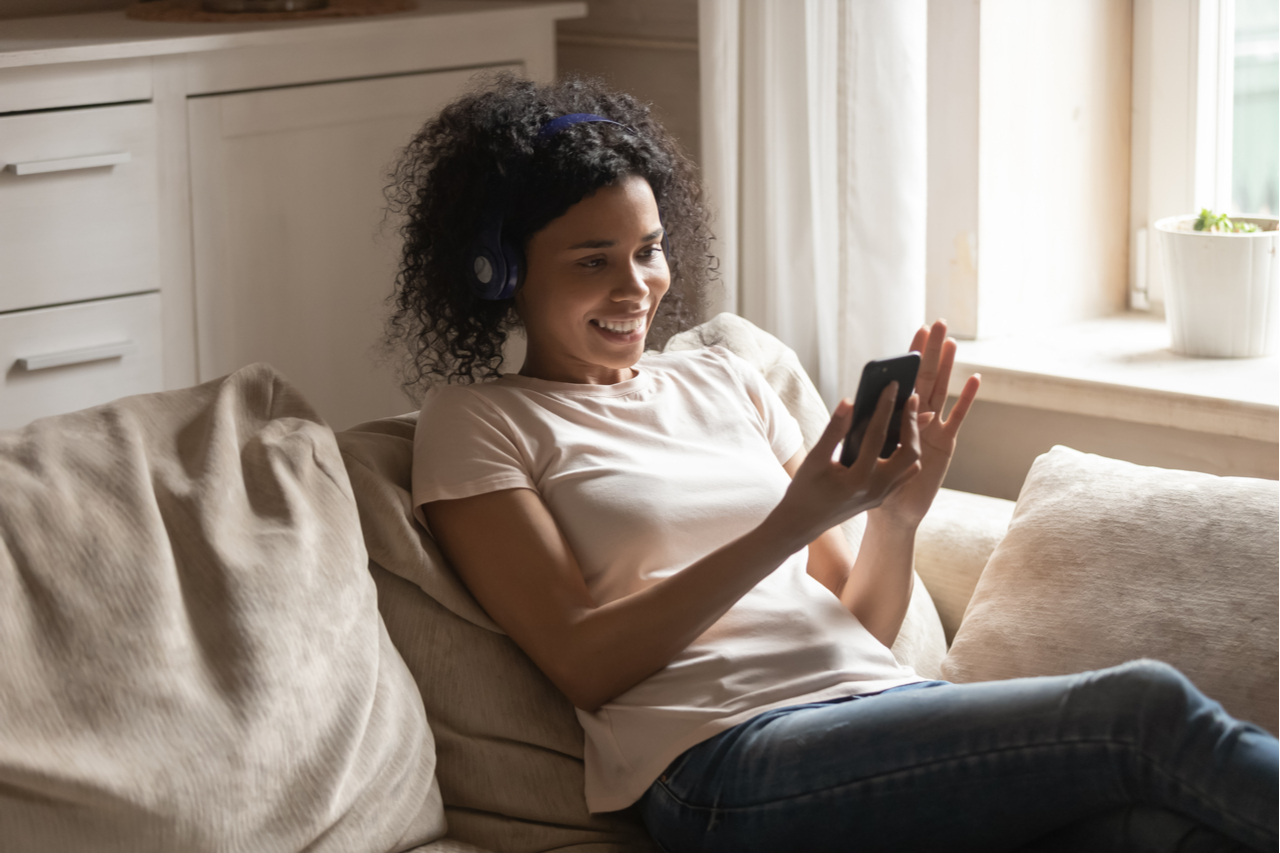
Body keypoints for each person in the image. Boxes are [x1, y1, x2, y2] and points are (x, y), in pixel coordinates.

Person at [386, 73, 1278, 853]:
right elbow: (582, 660)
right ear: (501, 273)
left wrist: (896, 518)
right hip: (729, 764)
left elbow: (861, 621)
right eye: (593, 261)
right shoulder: (480, 422)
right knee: (1142, 712)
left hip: (874, 715)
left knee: (1170, 835)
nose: (637, 288)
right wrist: (788, 525)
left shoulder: (722, 375)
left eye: (649, 250)